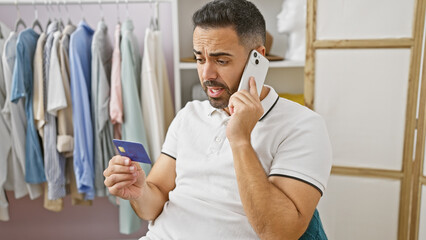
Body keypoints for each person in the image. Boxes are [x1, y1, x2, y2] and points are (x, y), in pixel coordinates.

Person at [103, 0, 332, 239]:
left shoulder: (302, 126)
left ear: (258, 58)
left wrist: (240, 139)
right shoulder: (188, 115)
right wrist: (139, 191)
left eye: (221, 61)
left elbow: (280, 233)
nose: (207, 75)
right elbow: (154, 201)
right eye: (200, 59)